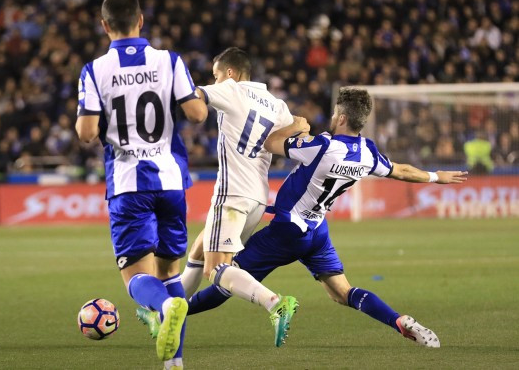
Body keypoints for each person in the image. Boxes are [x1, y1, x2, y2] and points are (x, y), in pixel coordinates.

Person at [186, 87, 468, 348]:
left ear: (342, 117)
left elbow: (271, 143)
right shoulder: (368, 152)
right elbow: (400, 171)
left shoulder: (322, 146)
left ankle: (173, 310)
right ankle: (398, 320)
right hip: (317, 231)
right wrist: (435, 176)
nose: (332, 117)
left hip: (287, 232)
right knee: (342, 293)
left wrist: (295, 127)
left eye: (335, 113)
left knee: (223, 274)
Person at [138, 47, 307, 347]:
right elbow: (302, 123)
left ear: (229, 73)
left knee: (216, 269)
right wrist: (298, 125)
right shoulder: (275, 104)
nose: (214, 80)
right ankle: (164, 312)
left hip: (232, 195)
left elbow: (195, 95)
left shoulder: (230, 89)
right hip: (257, 197)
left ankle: (274, 303)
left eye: (216, 75)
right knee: (199, 250)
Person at [75, 0, 207, 368]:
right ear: (140, 20)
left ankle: (165, 306)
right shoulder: (170, 61)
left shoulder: (95, 69)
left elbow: (86, 133)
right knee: (168, 273)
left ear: (104, 25)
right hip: (170, 180)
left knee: (135, 278)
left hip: (129, 183)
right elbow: (197, 114)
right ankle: (174, 362)